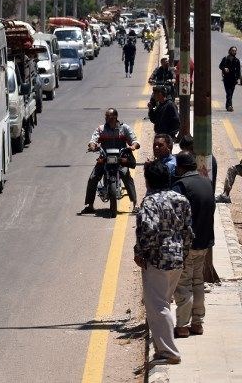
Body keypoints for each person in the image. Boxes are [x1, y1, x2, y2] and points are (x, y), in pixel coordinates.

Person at [134, 160, 193, 365]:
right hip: (177, 258)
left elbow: (147, 231)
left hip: (157, 261)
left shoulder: (150, 202)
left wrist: (141, 252)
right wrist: (183, 253)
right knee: (164, 303)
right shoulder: (181, 199)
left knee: (158, 306)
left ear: (148, 181)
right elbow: (187, 232)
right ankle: (162, 349)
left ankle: (169, 352)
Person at [171, 151, 215, 337]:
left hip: (187, 245)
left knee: (183, 285)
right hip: (204, 243)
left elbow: (173, 216)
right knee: (198, 283)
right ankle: (197, 323)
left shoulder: (181, 186)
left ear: (180, 167)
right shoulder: (207, 182)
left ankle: (182, 326)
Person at [82, 108, 140, 214]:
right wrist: (92, 146)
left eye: (110, 116)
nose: (108, 118)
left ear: (116, 117)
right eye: (106, 116)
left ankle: (135, 204)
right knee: (93, 178)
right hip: (105, 158)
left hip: (120, 159)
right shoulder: (101, 129)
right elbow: (93, 140)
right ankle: (90, 205)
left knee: (126, 176)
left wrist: (133, 146)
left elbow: (134, 140)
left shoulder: (124, 128)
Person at [219, 46, 241, 111]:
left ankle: (228, 106)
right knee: (229, 93)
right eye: (233, 50)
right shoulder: (225, 59)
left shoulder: (237, 60)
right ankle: (230, 106)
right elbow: (220, 66)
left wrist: (238, 78)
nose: (234, 52)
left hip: (233, 80)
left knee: (231, 93)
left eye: (235, 51)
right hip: (226, 79)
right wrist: (224, 68)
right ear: (230, 51)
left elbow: (238, 70)